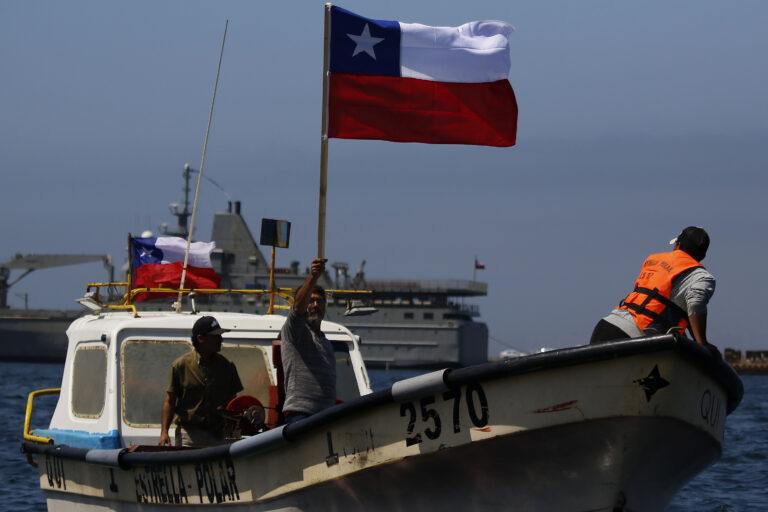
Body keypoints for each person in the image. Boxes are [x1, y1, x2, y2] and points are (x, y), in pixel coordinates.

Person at [590, 226, 719, 354]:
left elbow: (672, 308)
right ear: (702, 255)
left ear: (678, 245)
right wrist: (702, 343)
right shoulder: (701, 277)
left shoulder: (653, 259)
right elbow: (695, 304)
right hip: (634, 337)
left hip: (606, 325)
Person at [159, 315, 243, 447]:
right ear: (200, 338)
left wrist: (236, 426)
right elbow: (170, 400)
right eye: (216, 336)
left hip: (219, 434)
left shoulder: (227, 366)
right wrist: (164, 432)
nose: (221, 339)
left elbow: (234, 401)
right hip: (189, 434)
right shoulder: (180, 366)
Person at [280, 257, 337, 424]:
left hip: (327, 416)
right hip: (301, 415)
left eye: (319, 301)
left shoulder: (325, 341)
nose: (315, 305)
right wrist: (313, 276)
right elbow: (298, 310)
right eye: (310, 301)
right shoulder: (295, 332)